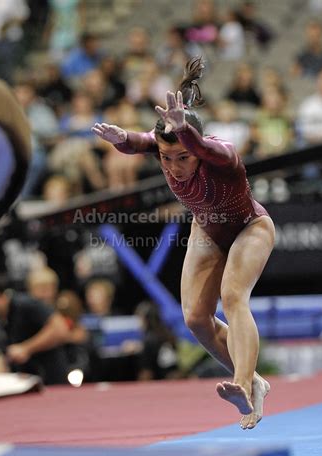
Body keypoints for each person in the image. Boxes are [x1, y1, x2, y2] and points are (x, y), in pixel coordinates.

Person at [92, 57, 274, 430]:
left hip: (249, 227)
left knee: (233, 296)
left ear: (197, 145)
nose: (174, 166)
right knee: (195, 318)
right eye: (165, 157)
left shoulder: (222, 155)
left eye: (182, 157)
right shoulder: (165, 147)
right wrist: (121, 138)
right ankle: (253, 380)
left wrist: (187, 136)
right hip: (207, 231)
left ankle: (241, 383)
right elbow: (138, 141)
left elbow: (204, 149)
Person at [0, 273, 71, 384]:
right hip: (26, 382)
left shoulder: (25, 304)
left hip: (51, 379)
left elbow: (61, 329)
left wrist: (27, 348)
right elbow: (0, 355)